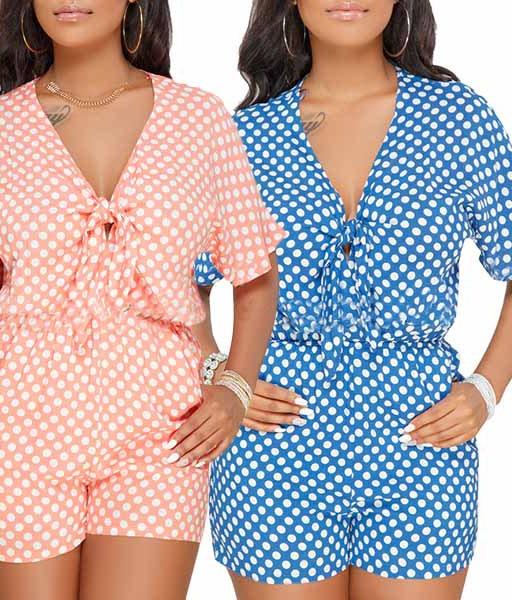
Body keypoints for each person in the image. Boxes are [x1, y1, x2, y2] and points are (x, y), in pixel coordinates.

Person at [0, 1, 287, 598]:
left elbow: (255, 274)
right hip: (15, 426)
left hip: (164, 427)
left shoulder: (199, 119)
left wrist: (235, 388)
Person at [191, 1, 512, 598]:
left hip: (422, 444)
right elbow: (184, 280)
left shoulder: (459, 121)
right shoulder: (244, 136)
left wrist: (487, 389)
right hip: (272, 451)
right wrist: (220, 373)